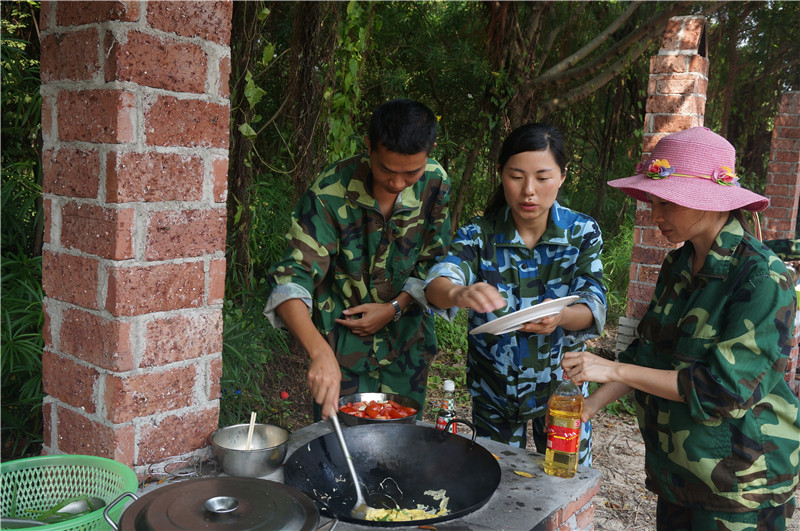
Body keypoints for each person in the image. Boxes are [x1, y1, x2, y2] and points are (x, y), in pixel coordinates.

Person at [562, 127, 800, 530]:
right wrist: (587, 407)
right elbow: (647, 354)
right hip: (680, 474)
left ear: (710, 201)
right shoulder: (678, 265)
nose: (656, 215)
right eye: (654, 202)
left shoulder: (763, 279)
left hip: (740, 484)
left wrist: (613, 369)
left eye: (668, 203)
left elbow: (721, 391)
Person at [424, 123, 606, 465]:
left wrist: (561, 317)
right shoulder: (479, 235)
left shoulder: (581, 232)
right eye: (516, 176)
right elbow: (437, 285)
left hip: (562, 390)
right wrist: (461, 292)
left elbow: (592, 302)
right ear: (500, 174)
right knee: (498, 486)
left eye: (542, 177)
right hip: (496, 392)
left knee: (566, 482)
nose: (529, 191)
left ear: (563, 176)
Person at [264, 99, 451, 420]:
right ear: (368, 147)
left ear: (430, 152)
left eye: (411, 173)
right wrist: (319, 352)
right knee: (339, 452)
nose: (396, 183)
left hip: (406, 346)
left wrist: (395, 307)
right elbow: (291, 281)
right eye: (386, 170)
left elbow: (433, 262)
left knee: (403, 448)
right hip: (341, 351)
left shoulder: (435, 182)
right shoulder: (328, 193)